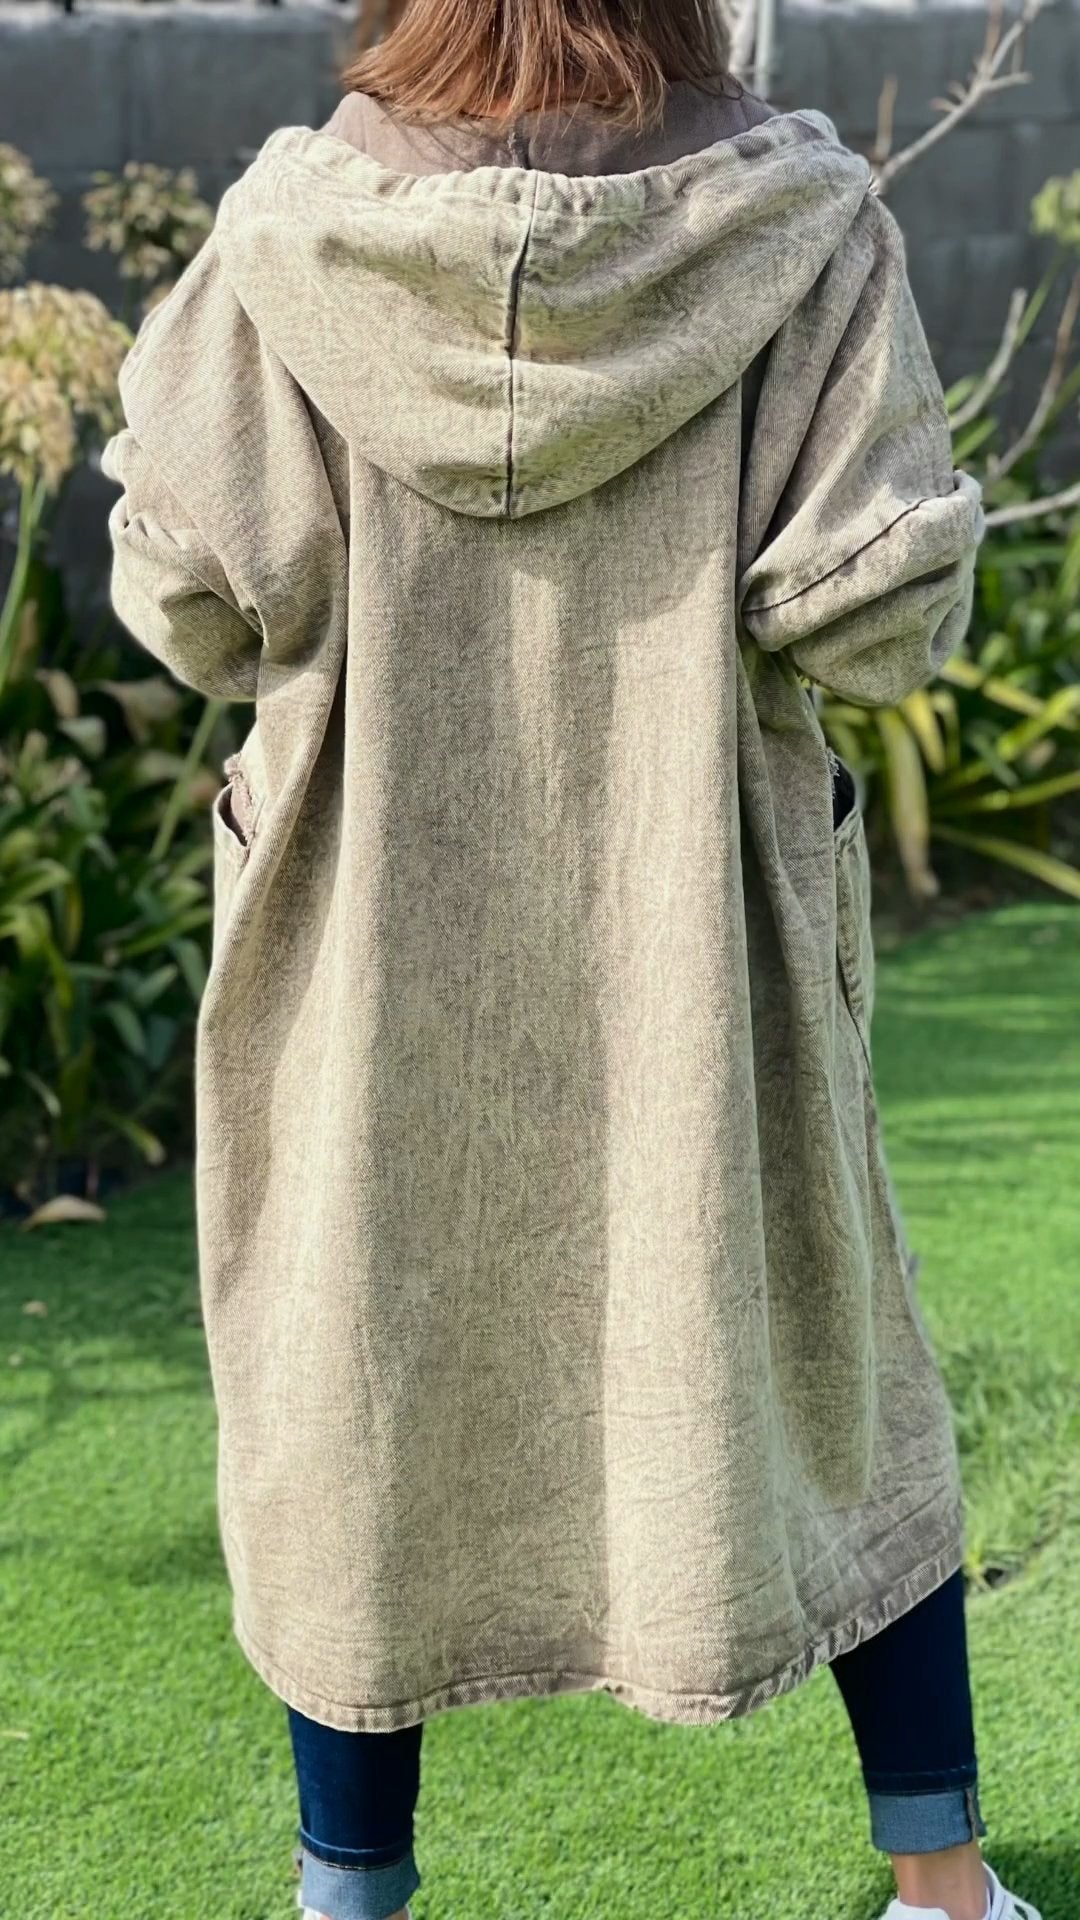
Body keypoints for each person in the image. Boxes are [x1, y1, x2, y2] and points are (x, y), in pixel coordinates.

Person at [100, 4, 1040, 1919]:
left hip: (371, 928)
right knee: (827, 1363)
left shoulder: (285, 238)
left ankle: (349, 1894)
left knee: (353, 1372)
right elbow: (878, 616)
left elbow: (194, 600)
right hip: (702, 925)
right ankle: (942, 1888)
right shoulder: (803, 230)